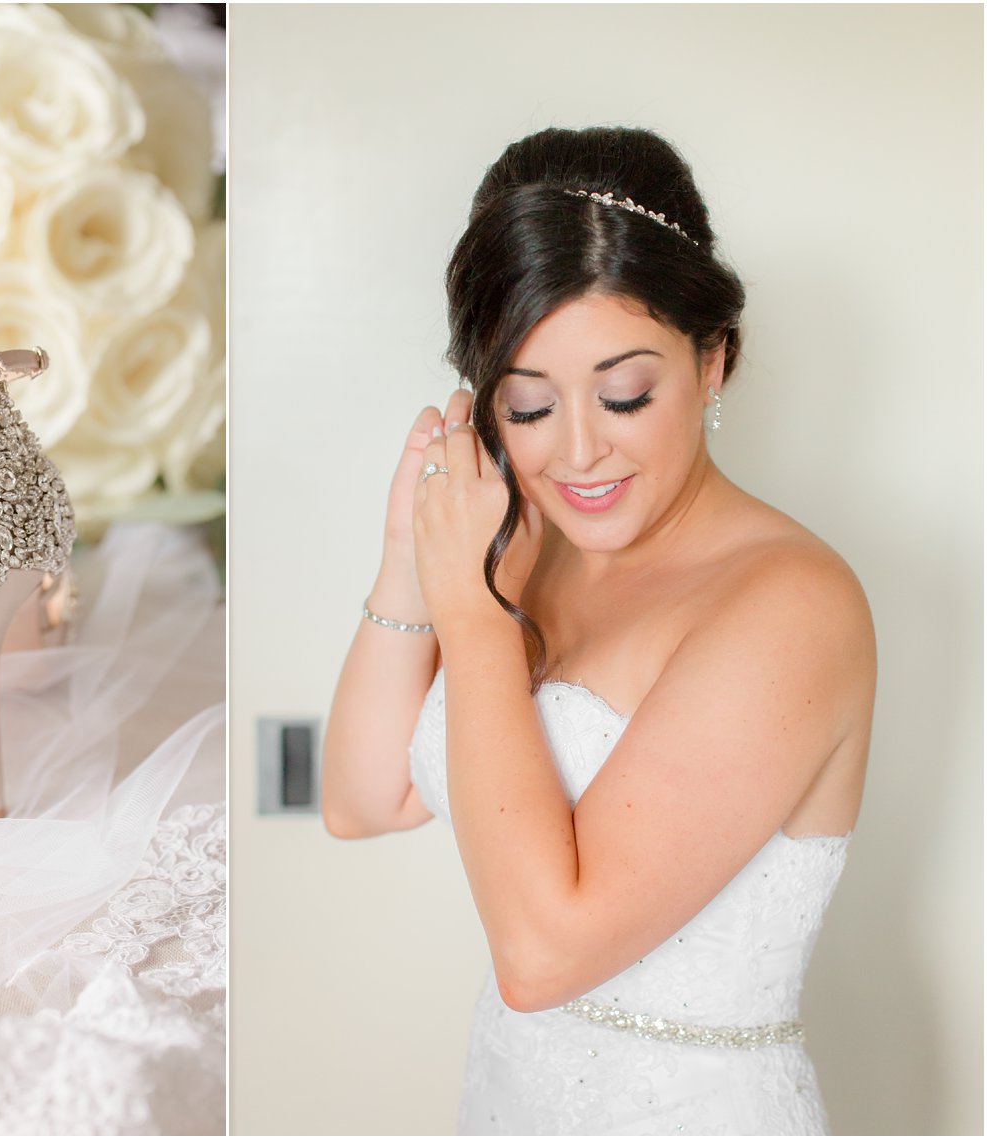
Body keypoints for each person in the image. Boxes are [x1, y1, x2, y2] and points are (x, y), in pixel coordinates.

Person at [321, 126, 875, 1135]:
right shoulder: (531, 547)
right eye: (527, 406)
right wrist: (410, 550)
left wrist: (477, 620)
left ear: (714, 359)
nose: (578, 450)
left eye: (623, 394)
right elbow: (365, 796)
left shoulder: (788, 603)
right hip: (506, 1097)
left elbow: (540, 955)